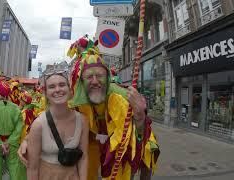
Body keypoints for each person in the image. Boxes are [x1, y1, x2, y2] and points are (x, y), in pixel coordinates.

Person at [19, 37, 160, 180]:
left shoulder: (121, 97)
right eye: (89, 77)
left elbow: (134, 134)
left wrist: (140, 117)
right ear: (81, 81)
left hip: (121, 142)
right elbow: (50, 117)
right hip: (93, 140)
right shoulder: (76, 96)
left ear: (107, 77)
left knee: (144, 155)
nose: (95, 81)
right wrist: (27, 140)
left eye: (99, 75)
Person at [26, 71, 89, 180]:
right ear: (45, 93)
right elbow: (32, 167)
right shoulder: (38, 125)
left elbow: (83, 158)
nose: (58, 90)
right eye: (52, 86)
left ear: (70, 90)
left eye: (62, 85)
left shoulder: (82, 121)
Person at [0, 80, 26, 180]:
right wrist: (9, 142)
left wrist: (0, 143)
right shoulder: (16, 108)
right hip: (11, 145)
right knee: (15, 170)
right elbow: (18, 128)